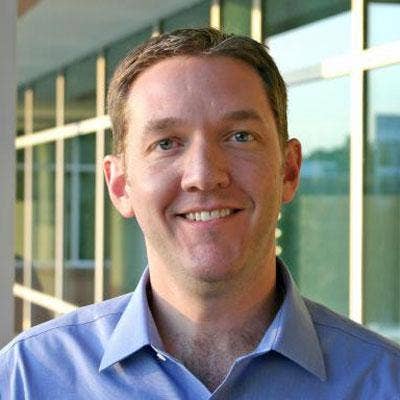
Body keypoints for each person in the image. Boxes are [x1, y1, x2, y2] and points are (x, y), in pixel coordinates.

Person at [1, 28, 399, 400]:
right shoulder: (27, 378)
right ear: (120, 185)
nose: (204, 176)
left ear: (289, 171)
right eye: (166, 143)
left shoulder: (386, 381)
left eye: (240, 137)